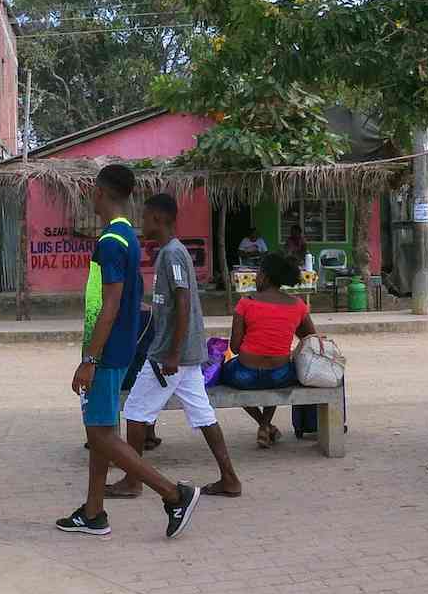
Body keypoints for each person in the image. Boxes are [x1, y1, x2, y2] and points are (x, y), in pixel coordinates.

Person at [55, 164, 201, 539]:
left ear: (100, 193)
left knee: (101, 434)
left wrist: (89, 359)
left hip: (106, 352)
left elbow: (111, 305)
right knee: (100, 430)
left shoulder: (111, 242)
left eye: (92, 191)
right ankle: (93, 512)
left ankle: (173, 494)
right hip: (115, 348)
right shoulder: (124, 236)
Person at [105, 194, 242, 499]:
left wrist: (173, 353)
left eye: (144, 217)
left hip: (171, 354)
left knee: (137, 411)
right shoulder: (170, 253)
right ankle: (230, 478)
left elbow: (181, 300)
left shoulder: (171, 254)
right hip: (185, 352)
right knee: (203, 414)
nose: (142, 223)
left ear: (157, 218)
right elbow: (172, 302)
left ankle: (133, 479)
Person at [224, 252, 316, 448]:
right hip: (280, 375)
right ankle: (266, 425)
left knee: (224, 373)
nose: (256, 278)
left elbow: (234, 347)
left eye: (257, 274)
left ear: (264, 276)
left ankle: (263, 424)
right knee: (275, 374)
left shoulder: (246, 302)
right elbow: (311, 337)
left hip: (244, 375)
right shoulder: (297, 305)